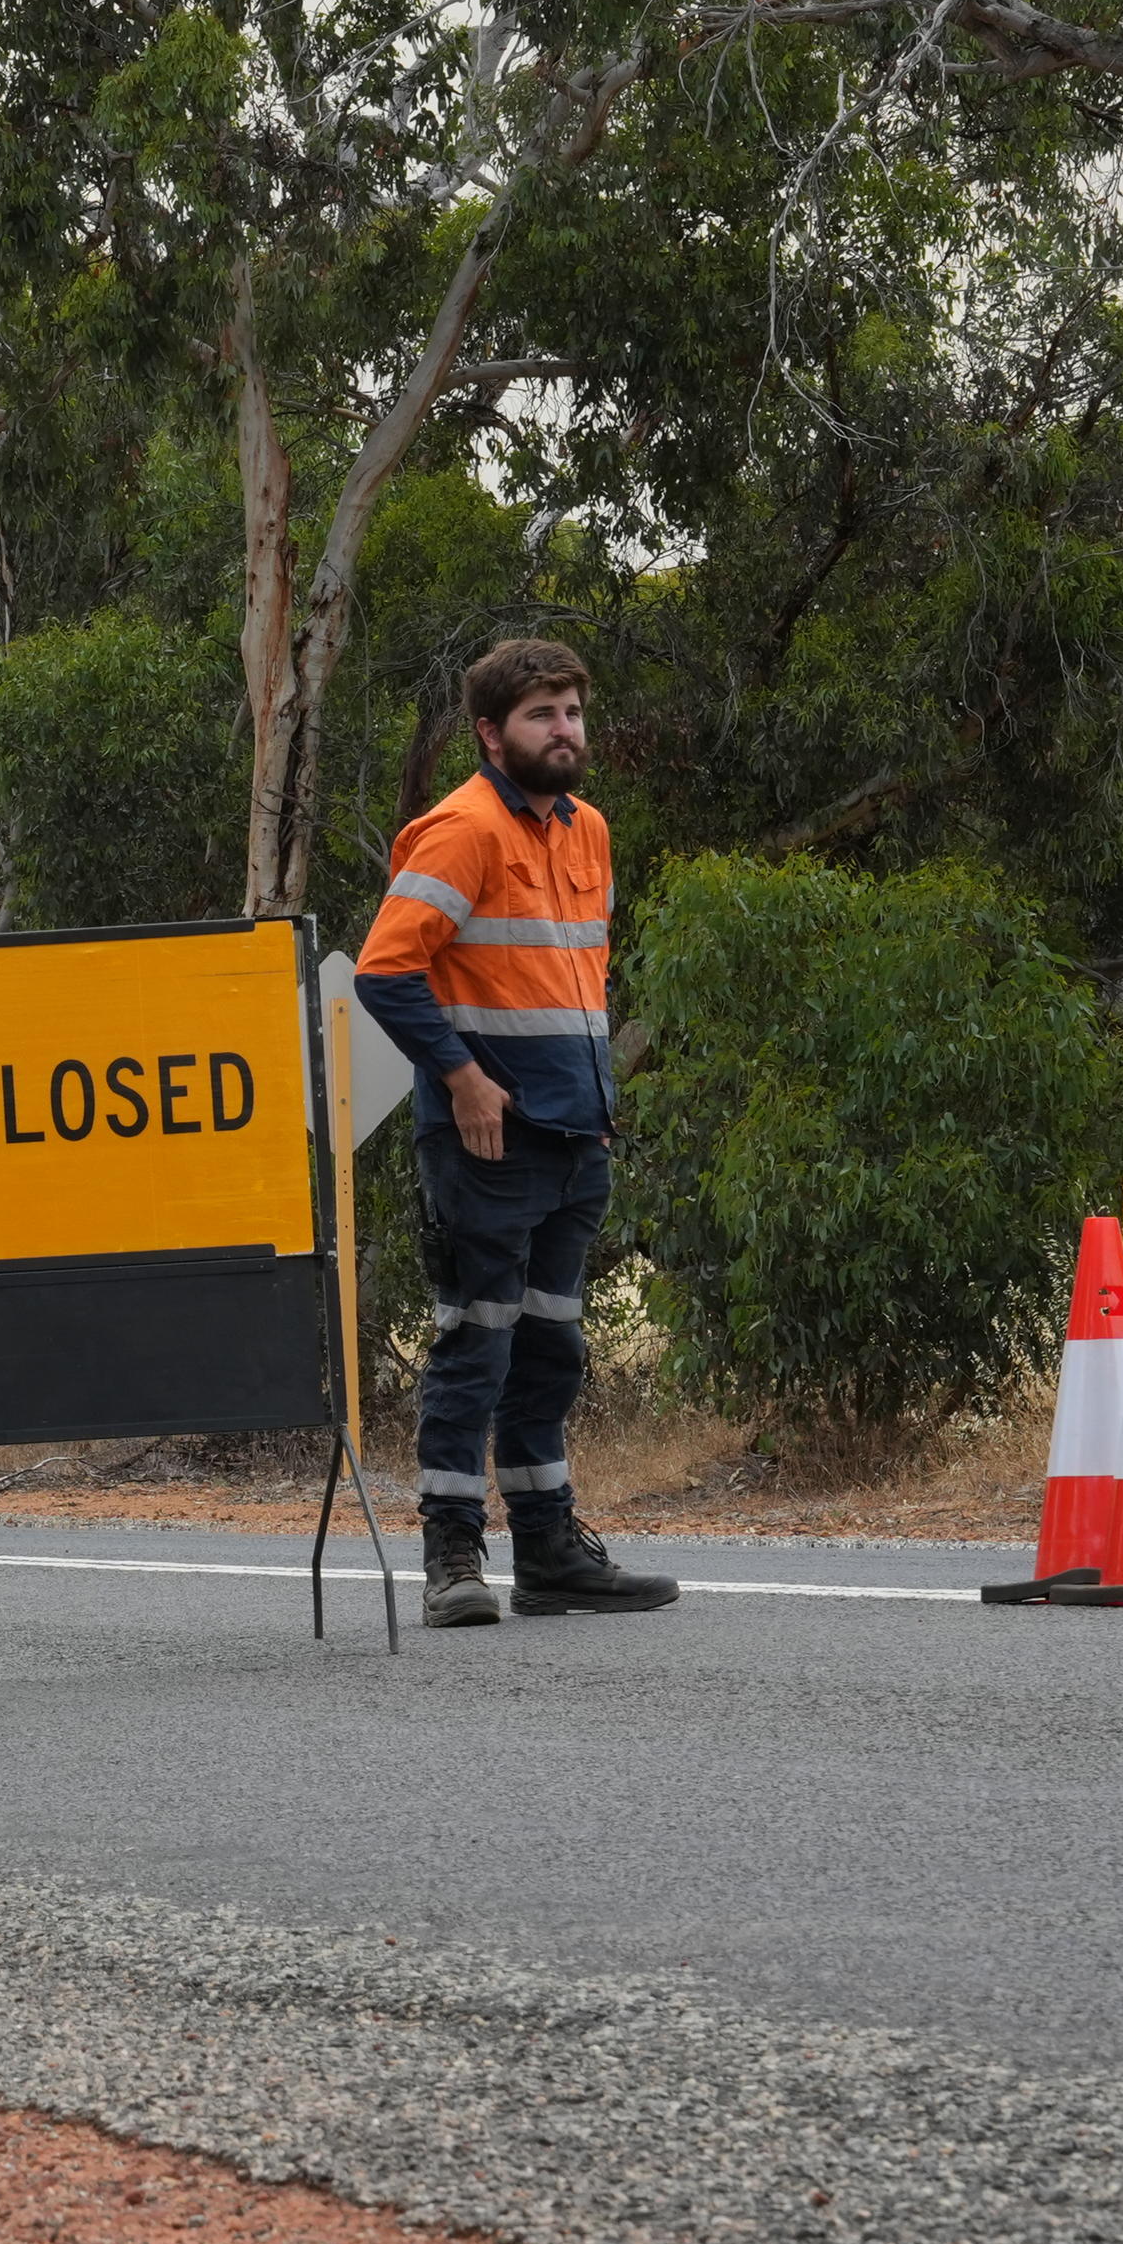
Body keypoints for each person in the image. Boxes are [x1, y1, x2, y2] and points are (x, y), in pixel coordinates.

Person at [353, 637, 677, 1625]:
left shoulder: (587, 832)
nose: (563, 729)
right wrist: (462, 1079)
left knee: (550, 1350)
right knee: (475, 1344)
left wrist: (598, 1104)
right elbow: (382, 972)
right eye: (541, 714)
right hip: (485, 1140)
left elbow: (574, 980)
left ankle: (548, 1553)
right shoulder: (459, 831)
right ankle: (452, 1557)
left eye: (572, 710)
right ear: (490, 733)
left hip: (575, 1136)